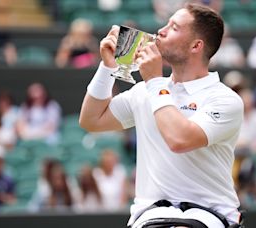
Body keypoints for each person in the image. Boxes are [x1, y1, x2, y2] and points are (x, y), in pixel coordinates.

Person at [79, 3, 244, 228]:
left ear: (196, 46)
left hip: (210, 216)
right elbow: (91, 120)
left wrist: (155, 82)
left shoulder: (225, 99)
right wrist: (108, 68)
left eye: (174, 27)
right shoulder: (146, 90)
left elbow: (180, 139)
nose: (161, 31)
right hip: (150, 216)